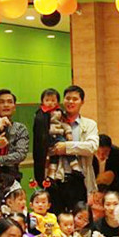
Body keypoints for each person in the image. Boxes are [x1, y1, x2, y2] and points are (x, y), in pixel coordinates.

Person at [47, 85, 99, 214]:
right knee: (56, 217)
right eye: (68, 98)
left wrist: (67, 147)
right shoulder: (53, 122)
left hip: (79, 179)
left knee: (80, 218)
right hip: (56, 178)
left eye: (75, 99)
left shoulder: (89, 124)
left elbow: (92, 147)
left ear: (82, 102)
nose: (70, 102)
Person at [32, 88, 61, 188]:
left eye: (53, 100)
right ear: (42, 101)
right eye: (47, 100)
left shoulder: (60, 113)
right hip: (43, 150)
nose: (50, 103)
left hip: (59, 147)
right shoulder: (39, 115)